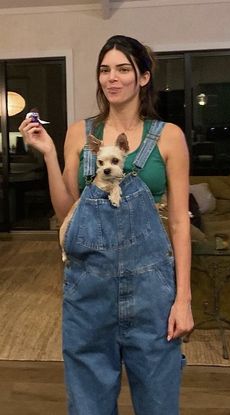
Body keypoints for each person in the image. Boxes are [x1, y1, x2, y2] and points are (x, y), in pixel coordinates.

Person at [19, 34, 194, 415]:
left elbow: (180, 223)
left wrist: (183, 299)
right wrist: (49, 154)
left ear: (143, 77)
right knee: (88, 405)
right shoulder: (80, 134)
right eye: (104, 69)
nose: (111, 78)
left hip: (152, 289)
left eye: (122, 69)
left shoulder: (168, 137)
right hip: (88, 288)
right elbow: (69, 211)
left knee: (158, 403)